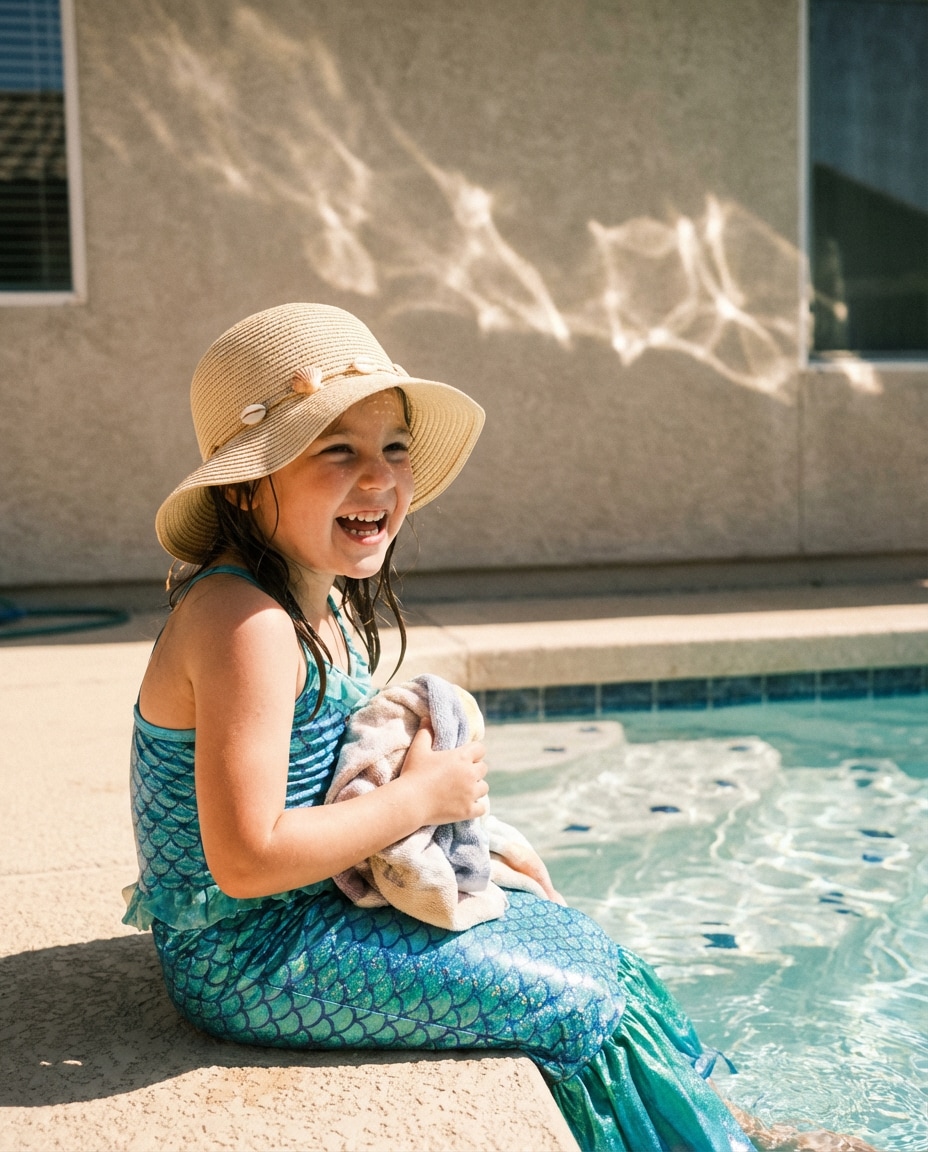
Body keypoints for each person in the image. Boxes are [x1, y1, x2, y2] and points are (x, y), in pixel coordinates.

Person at [123, 302, 753, 1152]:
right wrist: (423, 795)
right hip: (249, 959)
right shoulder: (247, 624)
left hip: (304, 917)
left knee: (595, 953)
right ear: (244, 483)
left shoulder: (317, 599)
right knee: (577, 1000)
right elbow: (246, 858)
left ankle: (724, 1127)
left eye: (393, 449)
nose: (378, 477)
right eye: (336, 449)